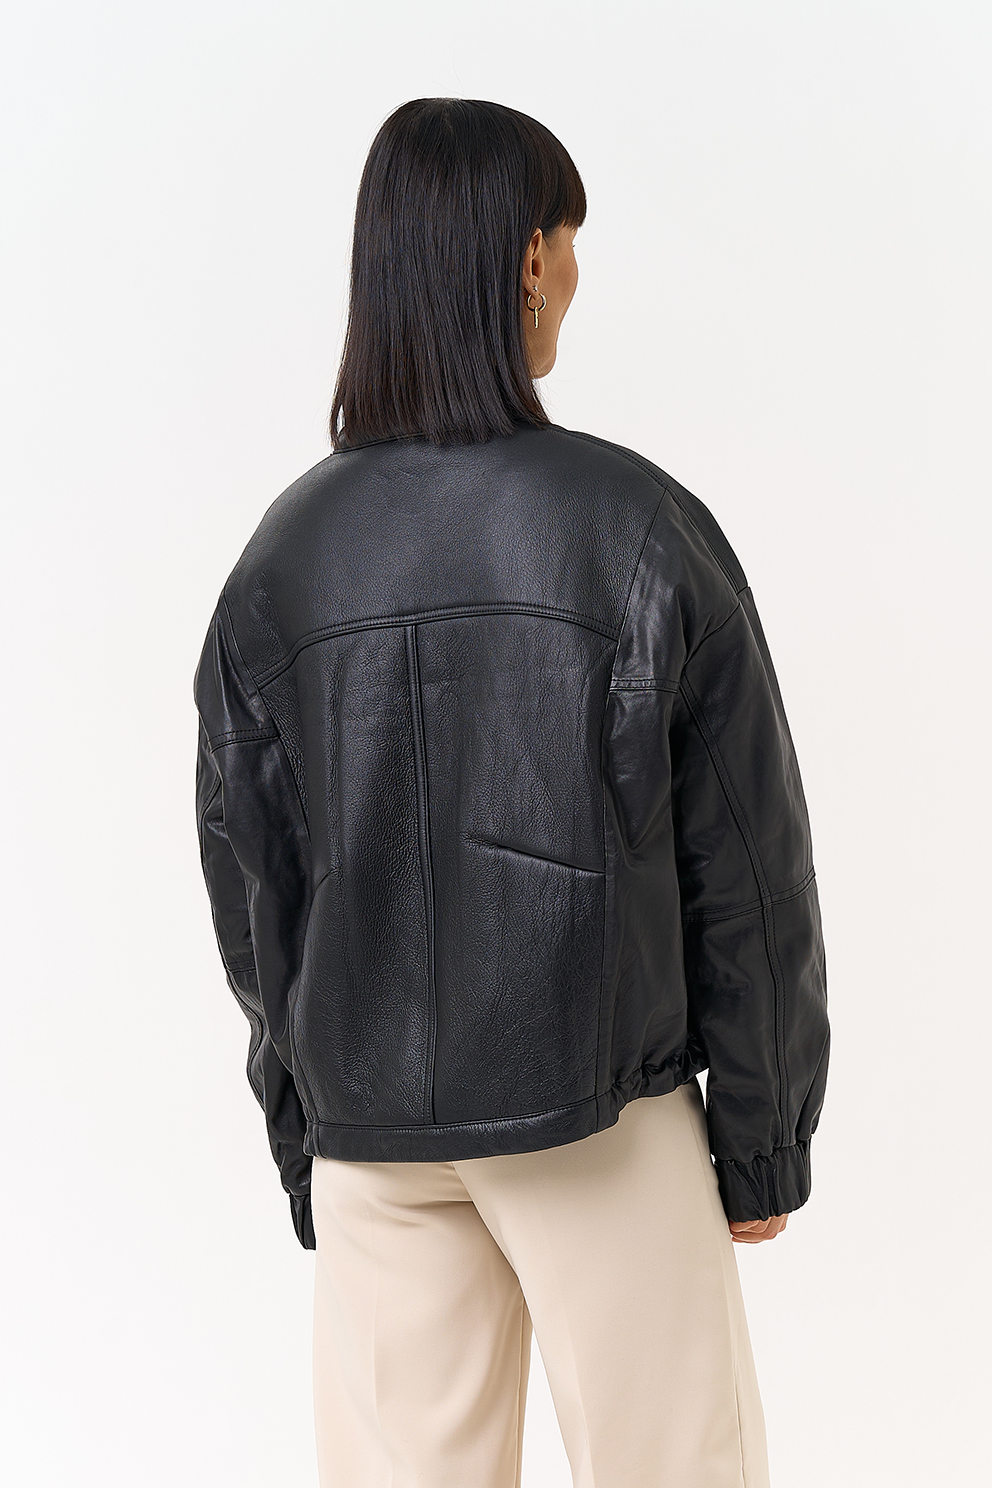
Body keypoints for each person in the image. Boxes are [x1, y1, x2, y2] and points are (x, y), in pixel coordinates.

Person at [193, 97, 830, 1488]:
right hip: (598, 1116)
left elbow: (254, 894)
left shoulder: (280, 558)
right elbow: (746, 858)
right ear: (530, 257)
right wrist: (761, 1135)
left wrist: (308, 1130)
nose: (576, 278)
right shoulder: (636, 525)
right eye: (571, 240)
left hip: (375, 1140)